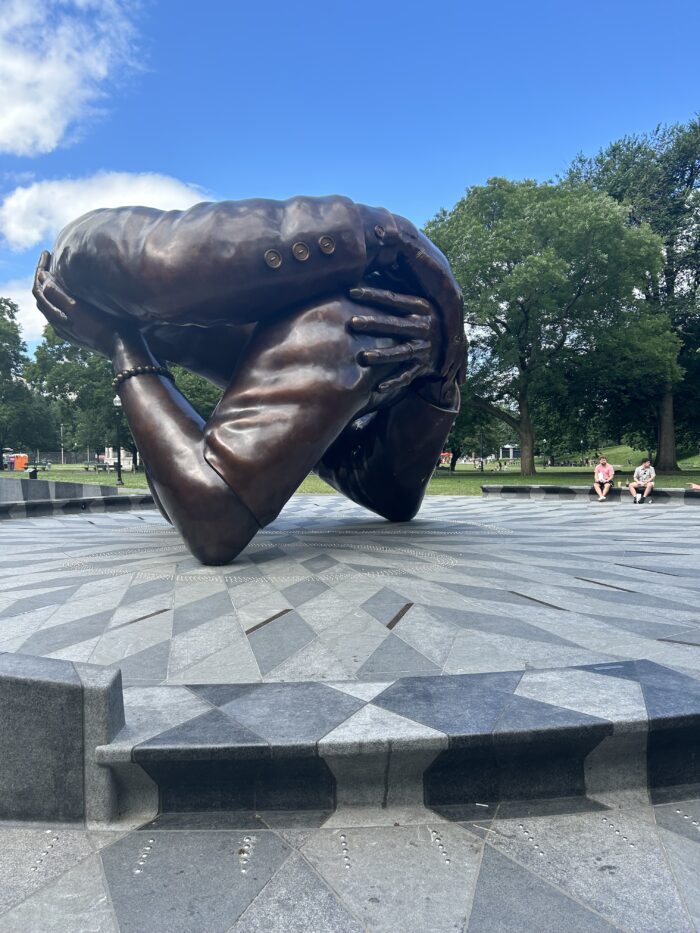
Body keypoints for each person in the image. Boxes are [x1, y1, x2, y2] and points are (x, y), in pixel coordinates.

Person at [33, 195, 466, 565]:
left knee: (146, 264)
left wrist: (121, 344)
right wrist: (443, 362)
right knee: (136, 263)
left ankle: (137, 287)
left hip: (367, 323)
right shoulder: (358, 335)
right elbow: (389, 494)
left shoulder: (340, 330)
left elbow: (212, 521)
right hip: (386, 326)